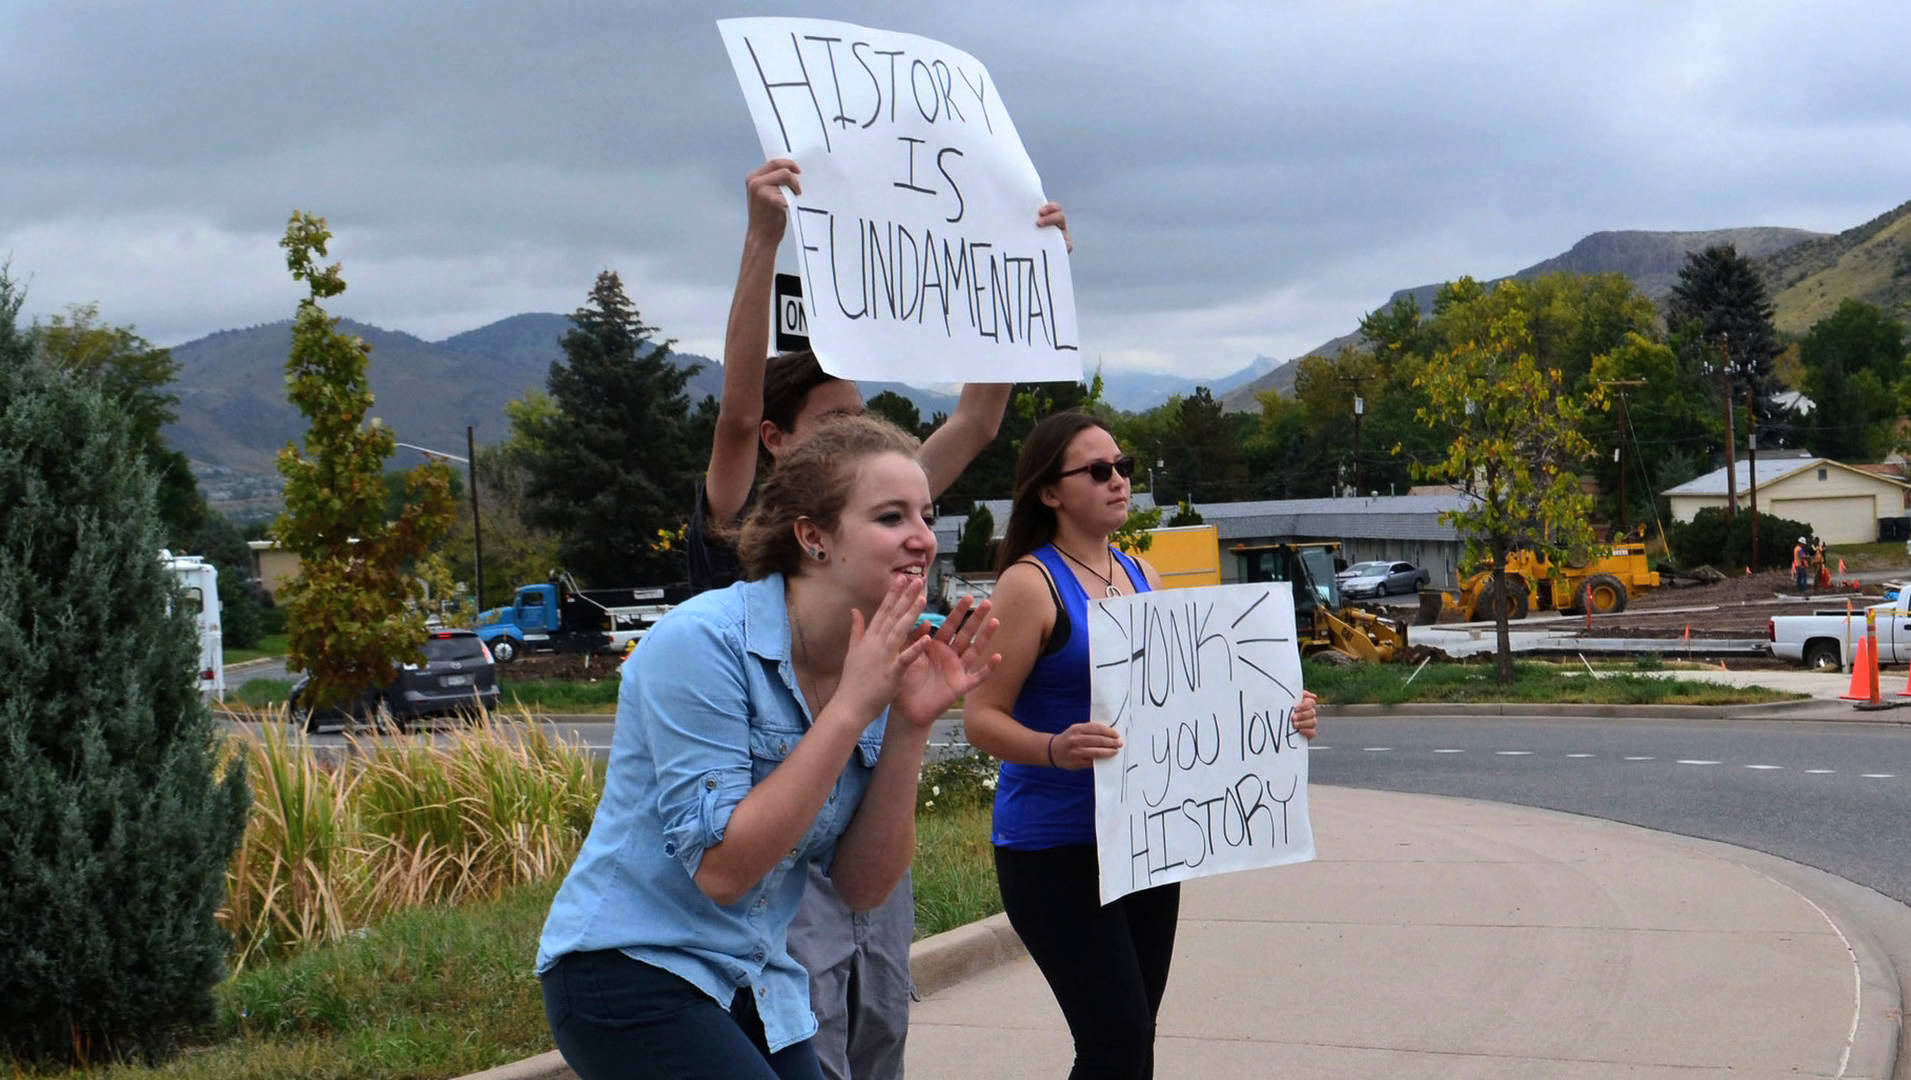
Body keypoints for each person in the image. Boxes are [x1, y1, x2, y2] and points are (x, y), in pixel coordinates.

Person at [687, 156, 1071, 1080]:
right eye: (834, 420)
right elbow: (737, 416)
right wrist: (760, 240)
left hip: (866, 837)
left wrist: (1022, 273)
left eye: (867, 416)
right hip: (774, 855)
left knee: (877, 1038)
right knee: (805, 1048)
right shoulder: (746, 518)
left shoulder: (880, 508)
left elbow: (978, 420)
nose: (861, 438)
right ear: (784, 449)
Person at [537, 415, 1000, 1080]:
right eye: (891, 517)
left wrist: (908, 725)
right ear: (813, 537)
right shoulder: (701, 643)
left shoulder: (871, 664)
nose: (922, 540)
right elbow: (723, 872)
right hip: (631, 969)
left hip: (757, 975)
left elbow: (861, 887)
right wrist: (850, 709)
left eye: (926, 516)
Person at [963, 412, 1319, 1079]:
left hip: (1143, 843)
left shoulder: (1142, 573)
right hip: (1053, 850)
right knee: (1115, 1040)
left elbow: (1199, 695)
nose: (1118, 480)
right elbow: (980, 717)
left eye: (1122, 466)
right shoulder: (1028, 584)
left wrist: (1281, 718)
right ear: (1049, 491)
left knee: (1132, 1038)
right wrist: (1051, 746)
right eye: (1097, 471)